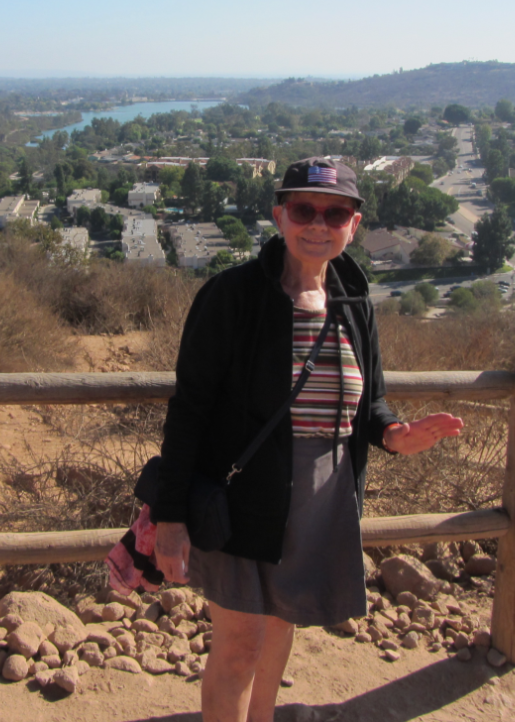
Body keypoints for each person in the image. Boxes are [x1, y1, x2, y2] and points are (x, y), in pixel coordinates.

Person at [152, 157, 463, 722]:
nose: (319, 224)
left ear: (354, 225)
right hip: (243, 499)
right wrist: (170, 519)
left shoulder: (355, 302)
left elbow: (371, 402)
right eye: (304, 210)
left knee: (279, 631)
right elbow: (189, 411)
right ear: (279, 216)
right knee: (241, 645)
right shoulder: (232, 295)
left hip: (321, 497)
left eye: (335, 213)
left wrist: (394, 434)